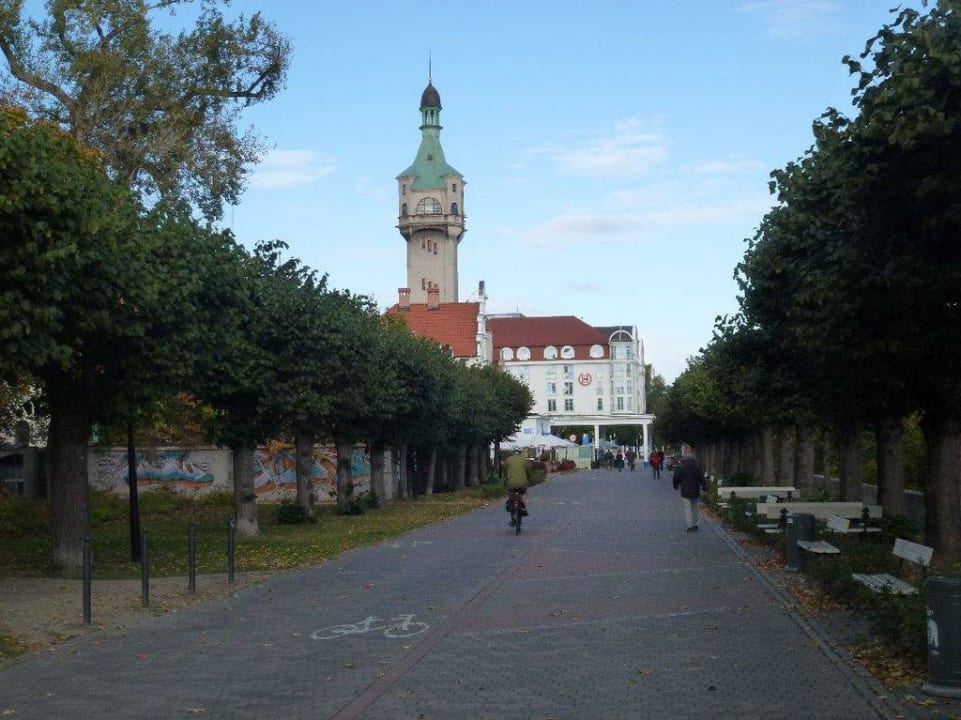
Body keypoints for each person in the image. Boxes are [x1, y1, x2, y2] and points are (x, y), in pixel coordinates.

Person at [672, 447, 707, 532]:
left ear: (685, 459)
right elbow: (702, 478)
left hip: (685, 491)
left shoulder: (681, 467)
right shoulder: (697, 467)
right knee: (695, 507)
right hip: (695, 490)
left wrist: (675, 486)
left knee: (687, 508)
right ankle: (695, 524)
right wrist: (705, 488)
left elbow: (675, 477)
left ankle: (690, 526)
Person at [503, 449, 528, 525]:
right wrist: (530, 479)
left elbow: (505, 471)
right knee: (523, 493)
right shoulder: (524, 460)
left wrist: (505, 479)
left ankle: (513, 518)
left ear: (512, 453)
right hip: (522, 483)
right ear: (520, 453)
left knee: (512, 498)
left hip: (511, 484)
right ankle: (523, 507)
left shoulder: (508, 460)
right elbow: (528, 471)